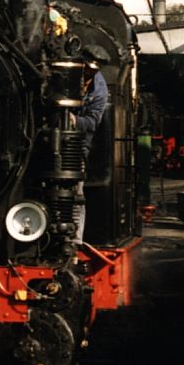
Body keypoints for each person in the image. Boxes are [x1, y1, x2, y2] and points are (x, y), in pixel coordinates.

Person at [74, 51, 108, 242]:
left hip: (76, 145)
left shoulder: (99, 89)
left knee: (76, 195)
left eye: (92, 71)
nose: (87, 74)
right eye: (85, 68)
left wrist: (74, 120)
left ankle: (76, 240)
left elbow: (93, 122)